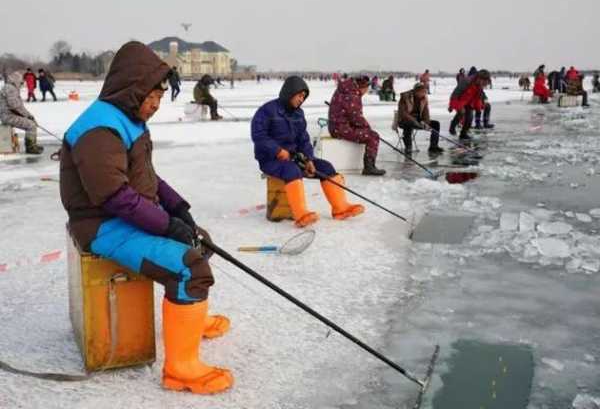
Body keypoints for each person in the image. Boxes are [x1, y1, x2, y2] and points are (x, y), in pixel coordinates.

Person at [59, 41, 233, 395]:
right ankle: (180, 369)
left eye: (160, 95)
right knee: (189, 265)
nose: (155, 103)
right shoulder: (100, 129)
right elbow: (115, 197)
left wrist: (178, 209)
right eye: (151, 95)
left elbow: (148, 177)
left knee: (200, 238)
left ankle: (190, 318)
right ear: (132, 88)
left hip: (124, 214)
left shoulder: (128, 118)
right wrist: (167, 225)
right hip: (102, 225)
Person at [251, 76, 364, 227]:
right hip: (270, 160)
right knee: (292, 170)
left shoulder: (298, 114)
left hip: (294, 158)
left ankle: (341, 208)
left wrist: (309, 159)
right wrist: (277, 150)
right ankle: (301, 214)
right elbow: (258, 136)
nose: (301, 99)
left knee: (326, 167)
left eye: (303, 97)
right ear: (289, 93)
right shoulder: (267, 111)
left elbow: (303, 139)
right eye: (299, 95)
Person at [328, 75, 386, 176]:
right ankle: (369, 167)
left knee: (368, 133)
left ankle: (369, 165)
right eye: (366, 89)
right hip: (341, 129)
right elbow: (356, 118)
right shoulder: (352, 95)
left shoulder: (344, 90)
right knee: (373, 136)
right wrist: (368, 128)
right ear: (362, 87)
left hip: (337, 126)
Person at [0, 71, 44, 154]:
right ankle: (31, 147)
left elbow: (18, 107)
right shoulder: (10, 89)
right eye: (21, 82)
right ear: (16, 80)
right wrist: (28, 116)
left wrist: (29, 115)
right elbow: (15, 106)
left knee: (31, 123)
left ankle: (32, 144)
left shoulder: (8, 87)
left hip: (8, 115)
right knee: (31, 125)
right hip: (8, 116)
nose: (21, 84)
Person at [398, 83, 443, 155]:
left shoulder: (424, 99)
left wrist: (426, 122)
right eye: (422, 91)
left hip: (418, 120)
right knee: (408, 125)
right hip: (404, 120)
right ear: (416, 91)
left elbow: (426, 112)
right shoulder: (405, 97)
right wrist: (414, 121)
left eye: (425, 91)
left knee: (436, 124)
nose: (424, 93)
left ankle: (433, 146)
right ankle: (408, 147)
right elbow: (403, 113)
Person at [448, 69, 492, 140]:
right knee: (461, 112)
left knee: (470, 117)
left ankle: (463, 134)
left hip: (469, 102)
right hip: (459, 100)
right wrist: (451, 106)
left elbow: (479, 97)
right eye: (484, 83)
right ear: (480, 78)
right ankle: (452, 127)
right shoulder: (466, 81)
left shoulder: (479, 85)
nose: (484, 85)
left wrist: (479, 107)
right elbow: (455, 94)